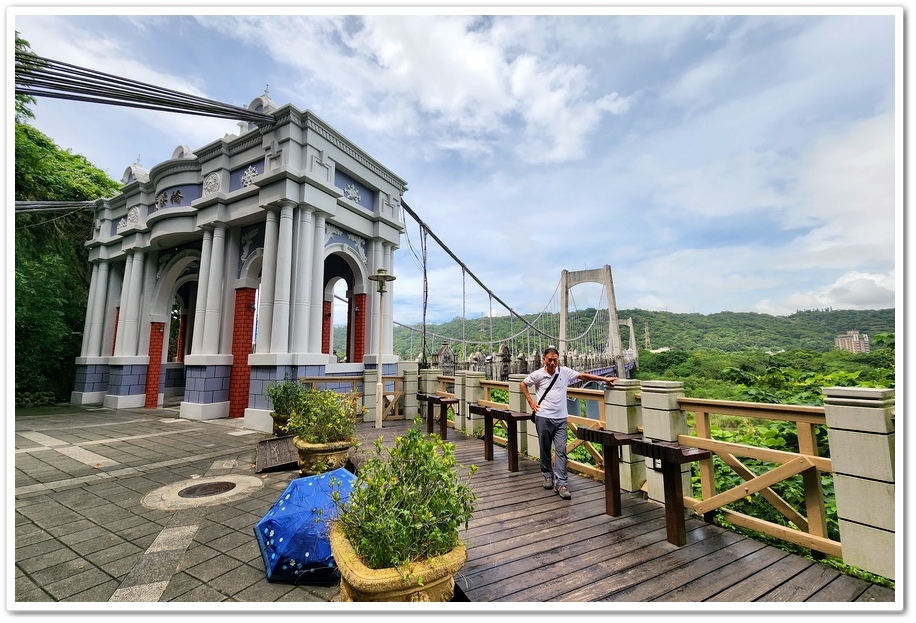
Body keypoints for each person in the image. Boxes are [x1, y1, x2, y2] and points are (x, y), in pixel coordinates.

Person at [521, 346, 618, 500]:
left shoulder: (564, 372)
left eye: (555, 360)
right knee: (544, 448)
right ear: (544, 359)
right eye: (549, 360)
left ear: (558, 359)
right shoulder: (538, 374)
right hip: (543, 417)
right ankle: (547, 475)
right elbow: (523, 384)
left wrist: (605, 379)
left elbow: (583, 376)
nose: (552, 362)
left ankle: (561, 484)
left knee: (561, 450)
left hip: (561, 418)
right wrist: (531, 402)